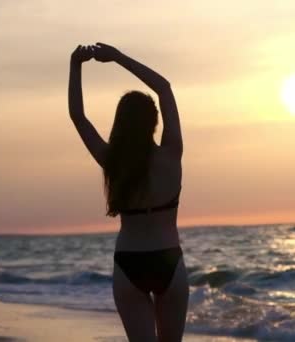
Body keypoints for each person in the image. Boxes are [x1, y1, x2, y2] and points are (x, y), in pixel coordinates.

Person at [68, 43, 188, 342]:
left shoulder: (112, 161)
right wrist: (118, 58)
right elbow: (164, 88)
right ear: (154, 121)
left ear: (120, 122)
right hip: (168, 261)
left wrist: (76, 65)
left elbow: (78, 116)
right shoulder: (171, 154)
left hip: (128, 262)